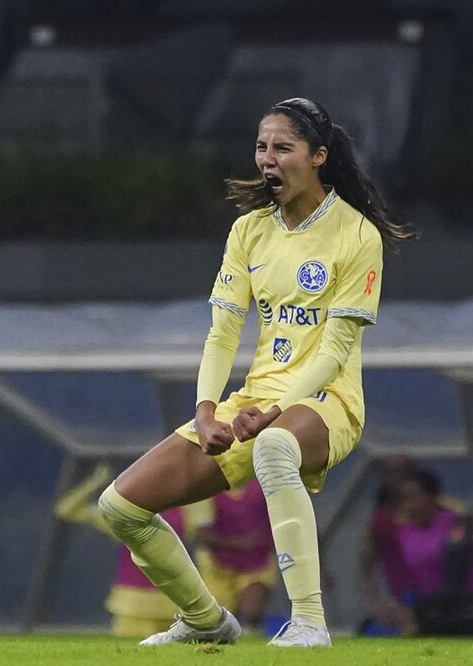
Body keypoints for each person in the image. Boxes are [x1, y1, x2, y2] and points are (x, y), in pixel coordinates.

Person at [95, 97, 415, 648]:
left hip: (327, 400)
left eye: (283, 147)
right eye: (262, 147)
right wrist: (205, 411)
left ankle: (309, 622)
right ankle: (205, 620)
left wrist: (274, 412)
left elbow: (334, 352)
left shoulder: (356, 234)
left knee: (274, 447)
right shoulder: (248, 231)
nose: (268, 158)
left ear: (318, 156)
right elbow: (222, 335)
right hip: (254, 401)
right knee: (120, 507)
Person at [53, 464, 190, 637]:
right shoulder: (184, 513)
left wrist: (96, 481)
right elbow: (65, 510)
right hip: (166, 604)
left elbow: (66, 510)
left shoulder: (123, 515)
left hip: (137, 604)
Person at [391, 469, 473, 636]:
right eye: (404, 499)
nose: (408, 505)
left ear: (432, 497)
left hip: (464, 612)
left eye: (414, 498)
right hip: (427, 611)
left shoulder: (454, 523)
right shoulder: (404, 532)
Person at [192, 480, 277, 633]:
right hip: (218, 567)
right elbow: (203, 534)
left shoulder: (264, 484)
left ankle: (254, 632)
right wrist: (239, 543)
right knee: (219, 621)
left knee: (252, 610)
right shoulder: (206, 490)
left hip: (257, 563)